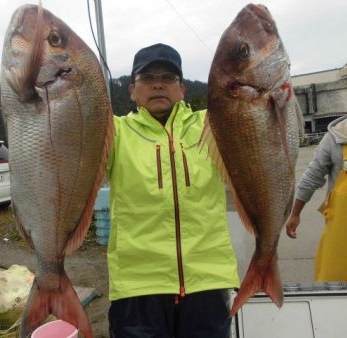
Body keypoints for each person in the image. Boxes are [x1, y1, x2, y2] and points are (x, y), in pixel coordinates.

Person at [105, 43, 240, 338]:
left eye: (167, 77)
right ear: (132, 90)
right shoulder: (113, 132)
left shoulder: (212, 124)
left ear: (181, 88)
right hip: (137, 287)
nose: (157, 84)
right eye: (147, 77)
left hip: (207, 282)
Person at [286, 74, 347, 283]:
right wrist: (295, 213)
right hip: (341, 234)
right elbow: (311, 177)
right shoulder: (335, 138)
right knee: (332, 288)